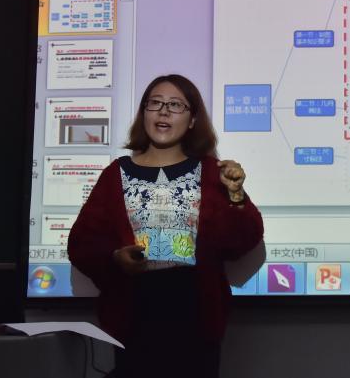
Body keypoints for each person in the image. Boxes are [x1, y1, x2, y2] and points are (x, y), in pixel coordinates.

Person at [68, 74, 264, 378]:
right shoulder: (115, 173)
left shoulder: (212, 172)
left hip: (196, 313)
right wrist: (115, 257)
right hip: (134, 312)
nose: (163, 111)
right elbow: (82, 244)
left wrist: (235, 195)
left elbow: (241, 241)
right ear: (144, 113)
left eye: (175, 105)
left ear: (192, 119)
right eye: (155, 103)